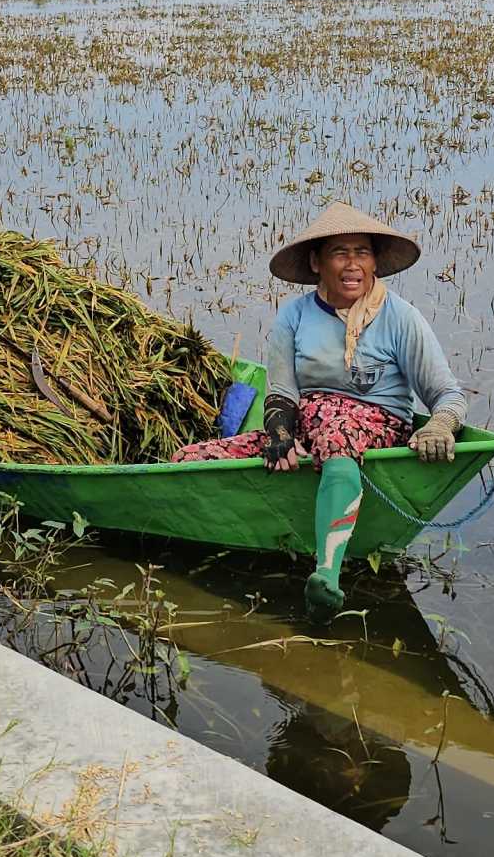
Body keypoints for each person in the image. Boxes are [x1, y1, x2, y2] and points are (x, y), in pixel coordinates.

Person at [173, 202, 468, 614]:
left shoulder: (400, 318)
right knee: (191, 458)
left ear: (375, 262)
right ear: (316, 262)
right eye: (339, 253)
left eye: (362, 252)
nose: (353, 265)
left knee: (335, 427)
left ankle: (326, 578)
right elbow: (279, 393)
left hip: (373, 426)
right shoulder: (294, 316)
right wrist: (280, 435)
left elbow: (448, 394)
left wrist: (440, 426)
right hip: (307, 425)